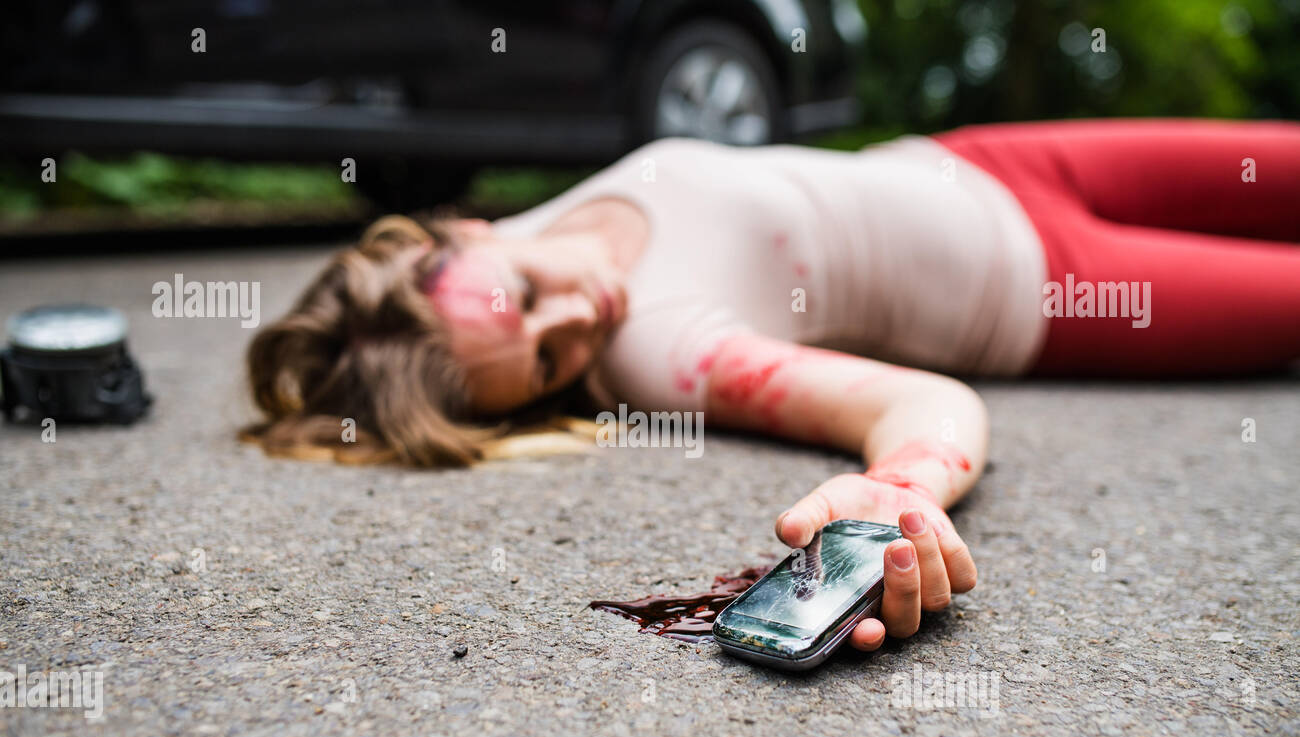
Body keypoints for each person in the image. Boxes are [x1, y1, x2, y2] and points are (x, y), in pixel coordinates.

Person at [244, 119, 1300, 650]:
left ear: (462, 234)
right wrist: (903, 482)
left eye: (527, 292)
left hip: (976, 160)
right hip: (1053, 285)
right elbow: (916, 402)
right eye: (554, 362)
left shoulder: (512, 222)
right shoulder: (660, 350)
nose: (584, 313)